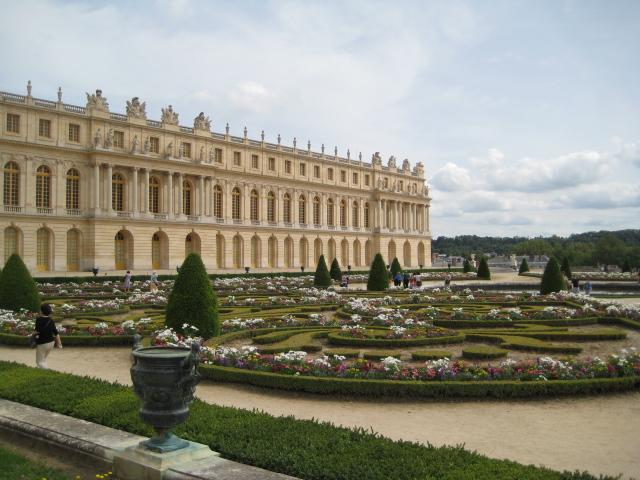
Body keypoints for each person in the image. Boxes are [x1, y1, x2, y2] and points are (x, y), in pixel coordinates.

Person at [34, 303, 62, 369]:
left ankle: (47, 371)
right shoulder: (51, 320)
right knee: (43, 359)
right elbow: (56, 333)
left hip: (42, 343)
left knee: (39, 362)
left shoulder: (39, 320)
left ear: (41, 311)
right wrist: (59, 343)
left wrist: (32, 336)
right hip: (51, 343)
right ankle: (41, 372)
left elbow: (36, 331)